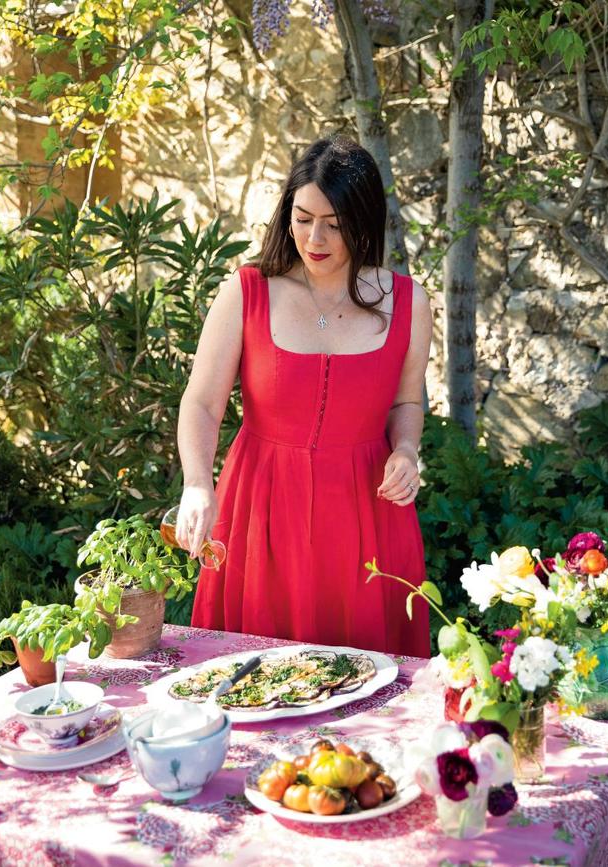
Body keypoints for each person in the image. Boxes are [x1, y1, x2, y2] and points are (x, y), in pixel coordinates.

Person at [176, 136, 432, 657]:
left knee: (366, 686)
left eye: (334, 224)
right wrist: (198, 485)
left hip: (368, 513)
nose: (315, 237)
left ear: (364, 222)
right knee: (250, 676)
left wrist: (406, 451)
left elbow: (407, 401)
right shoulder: (246, 292)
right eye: (302, 218)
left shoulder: (407, 301)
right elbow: (202, 403)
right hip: (258, 509)